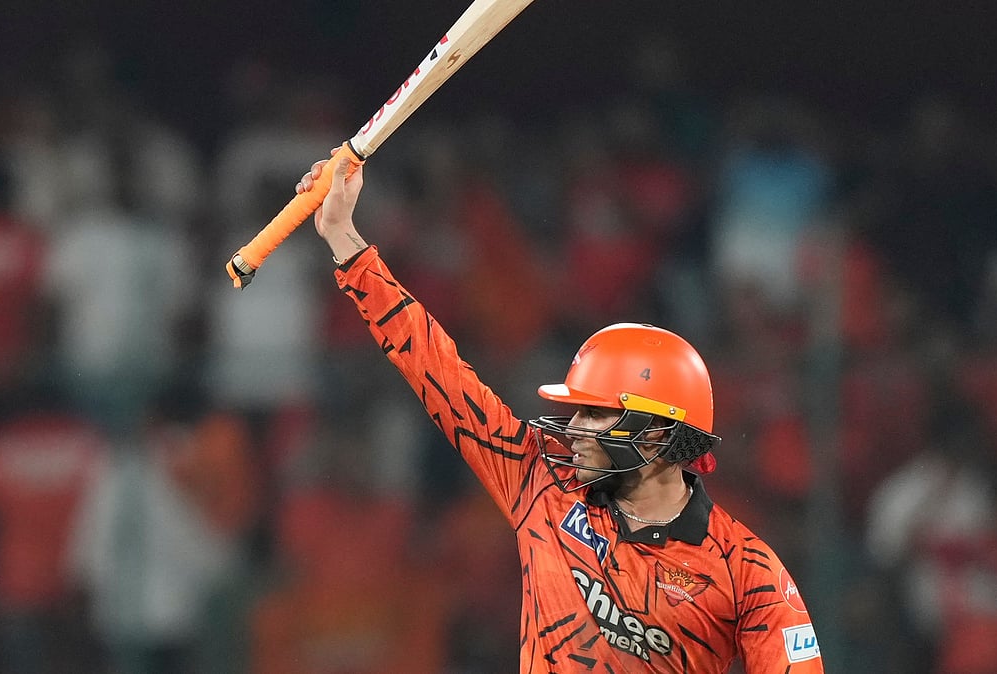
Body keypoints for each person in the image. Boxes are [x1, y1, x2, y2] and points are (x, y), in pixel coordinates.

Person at [294, 150, 825, 672]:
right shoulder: (540, 479)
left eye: (596, 415)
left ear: (661, 433)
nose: (574, 431)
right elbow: (439, 373)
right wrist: (345, 238)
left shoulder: (747, 571)